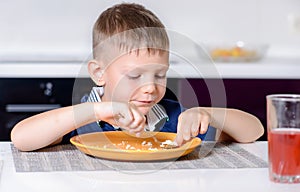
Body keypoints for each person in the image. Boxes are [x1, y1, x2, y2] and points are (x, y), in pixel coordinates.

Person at [11, 3, 264, 152]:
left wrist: (206, 114)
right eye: (134, 76)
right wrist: (95, 110)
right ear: (99, 73)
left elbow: (254, 130)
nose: (150, 88)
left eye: (160, 75)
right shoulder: (81, 121)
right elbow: (20, 138)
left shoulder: (171, 119)